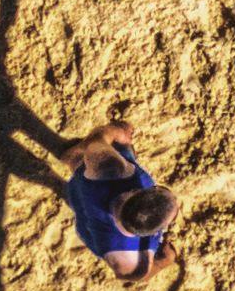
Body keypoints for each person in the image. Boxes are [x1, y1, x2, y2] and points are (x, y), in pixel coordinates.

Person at [64, 119, 175, 282]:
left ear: (135, 191)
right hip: (95, 234)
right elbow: (135, 276)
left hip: (86, 198)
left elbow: (95, 142)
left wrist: (116, 132)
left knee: (82, 162)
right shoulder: (126, 262)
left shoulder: (111, 168)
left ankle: (72, 158)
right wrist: (159, 264)